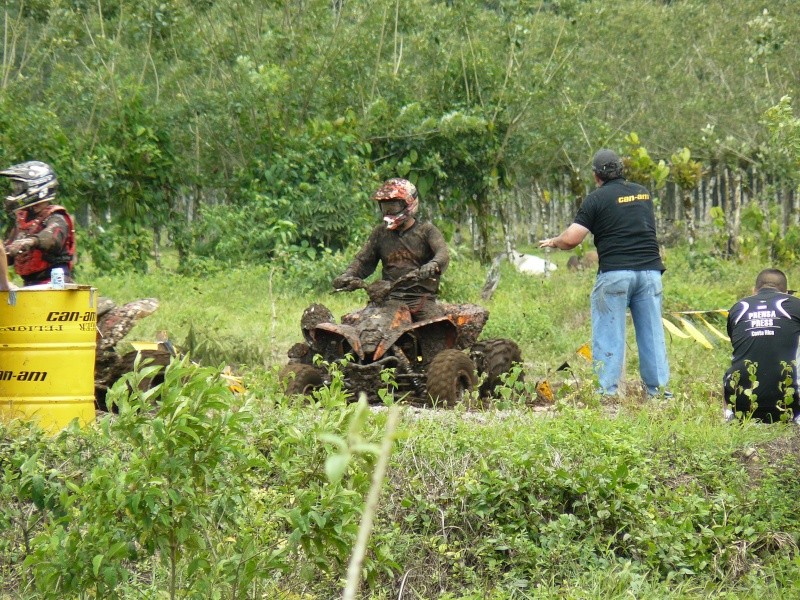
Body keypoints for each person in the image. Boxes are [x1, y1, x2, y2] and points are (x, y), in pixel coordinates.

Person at [538, 149, 670, 397]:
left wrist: (554, 241)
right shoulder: (643, 192)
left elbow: (572, 239)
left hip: (615, 275)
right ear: (621, 170)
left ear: (596, 175)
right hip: (650, 272)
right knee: (652, 334)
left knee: (609, 335)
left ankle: (609, 394)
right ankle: (659, 393)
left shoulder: (596, 199)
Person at [332, 178, 449, 321]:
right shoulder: (380, 233)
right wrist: (347, 276)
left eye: (393, 206)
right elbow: (363, 261)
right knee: (357, 323)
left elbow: (442, 253)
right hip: (389, 298)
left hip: (420, 299)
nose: (388, 210)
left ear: (409, 203)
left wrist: (434, 264)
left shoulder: (427, 230)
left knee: (436, 329)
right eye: (384, 206)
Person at [724, 268, 800, 423]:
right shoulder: (795, 304)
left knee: (733, 366)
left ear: (754, 290)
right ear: (785, 292)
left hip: (742, 406)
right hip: (789, 405)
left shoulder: (737, 307)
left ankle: (728, 416)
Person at [1, 161, 75, 286]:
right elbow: (8, 250)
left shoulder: (56, 217)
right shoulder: (23, 219)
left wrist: (31, 241)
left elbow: (52, 238)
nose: (15, 191)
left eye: (19, 187)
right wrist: (7, 252)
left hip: (56, 283)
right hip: (31, 285)